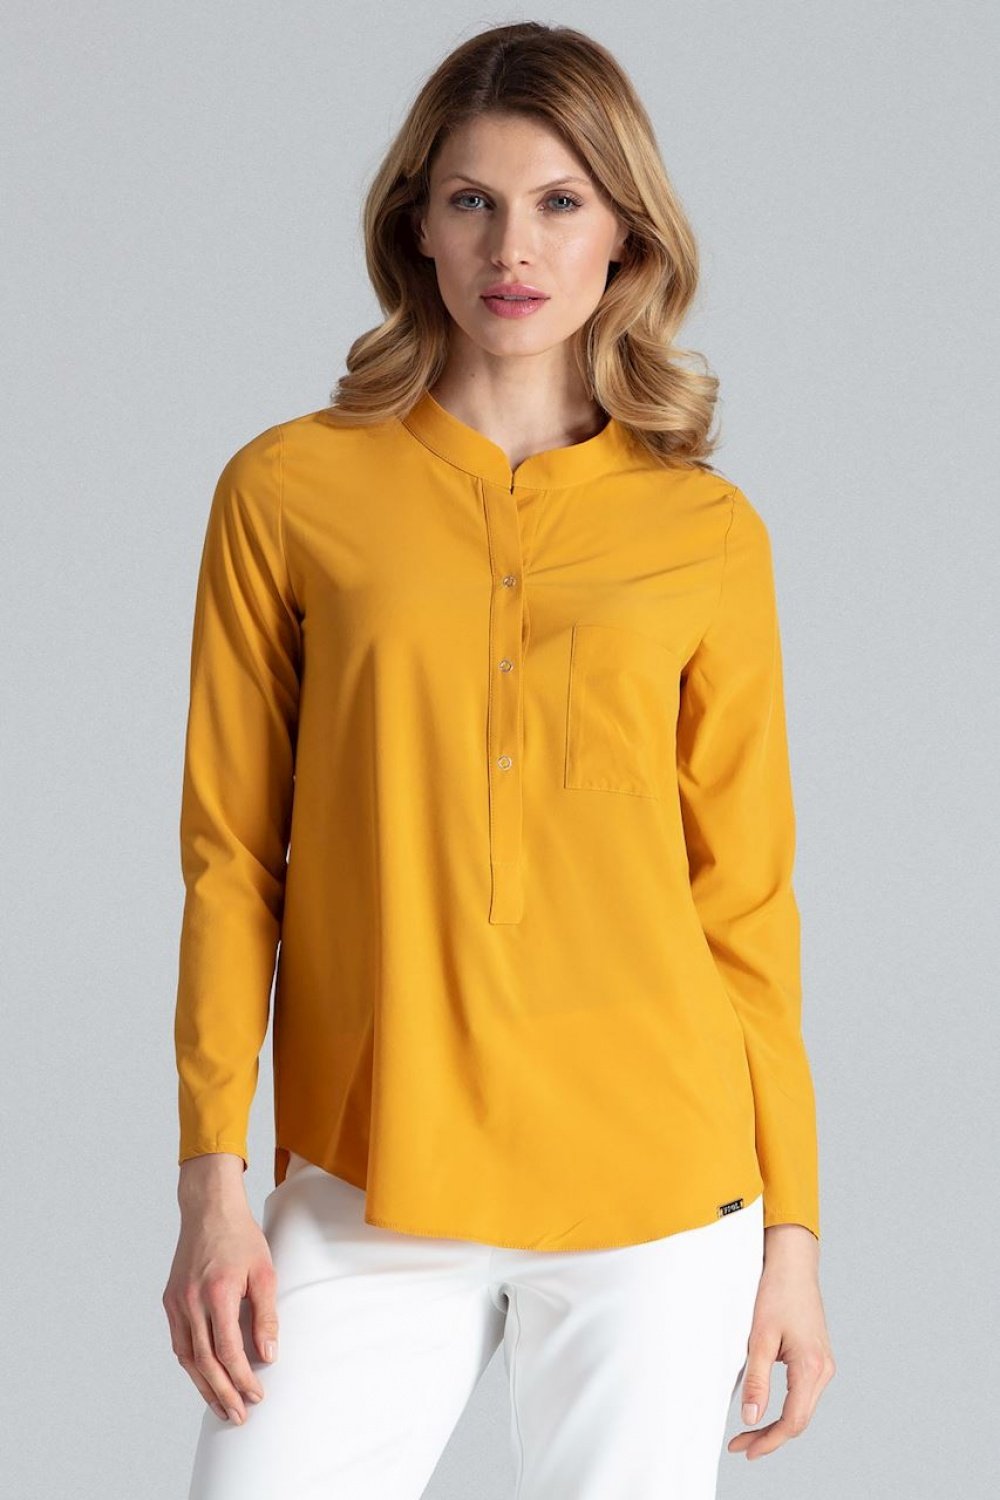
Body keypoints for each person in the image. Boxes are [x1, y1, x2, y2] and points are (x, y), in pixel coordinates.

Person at [162, 20, 836, 1499]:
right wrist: (214, 1178)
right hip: (371, 1170)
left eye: (559, 202)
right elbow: (230, 858)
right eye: (471, 199)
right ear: (416, 223)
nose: (511, 248)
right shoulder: (288, 490)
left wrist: (791, 1237)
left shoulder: (707, 533)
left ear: (626, 237)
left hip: (658, 1191)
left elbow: (745, 903)